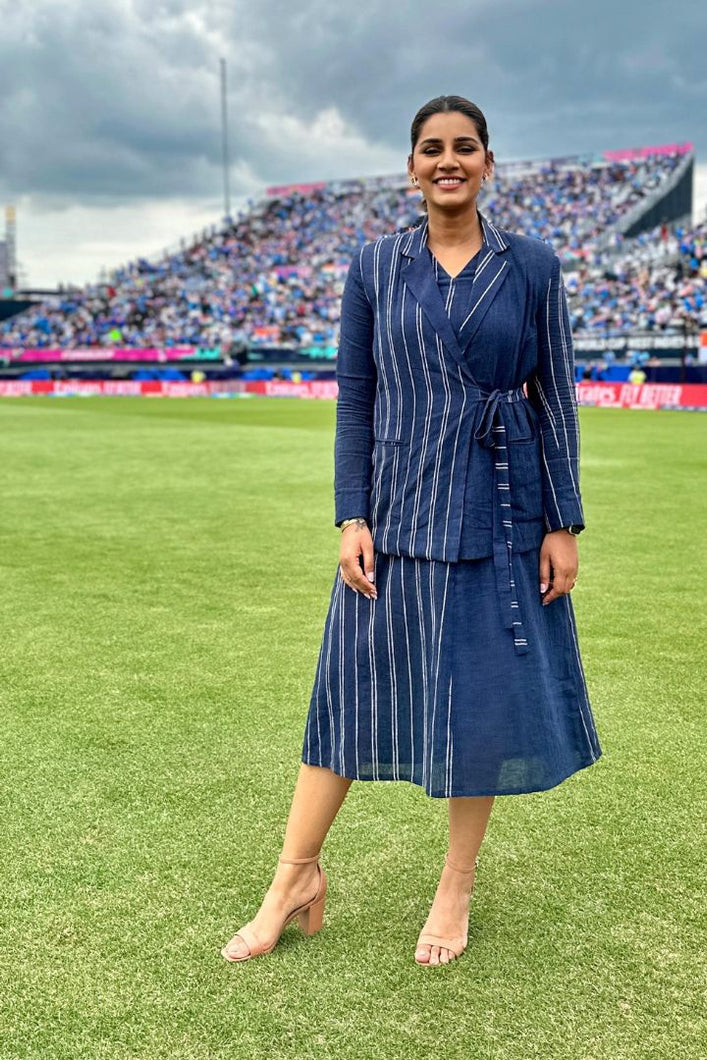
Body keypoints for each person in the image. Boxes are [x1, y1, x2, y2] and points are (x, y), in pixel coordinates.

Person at [221, 95, 602, 968]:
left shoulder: (532, 266)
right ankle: (293, 877)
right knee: (346, 694)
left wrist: (562, 521)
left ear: (488, 163)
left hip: (500, 511)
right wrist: (351, 514)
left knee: (480, 702)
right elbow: (356, 398)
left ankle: (454, 887)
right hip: (396, 510)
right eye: (432, 148)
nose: (447, 161)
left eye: (464, 147)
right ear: (411, 167)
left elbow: (555, 399)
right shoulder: (372, 265)